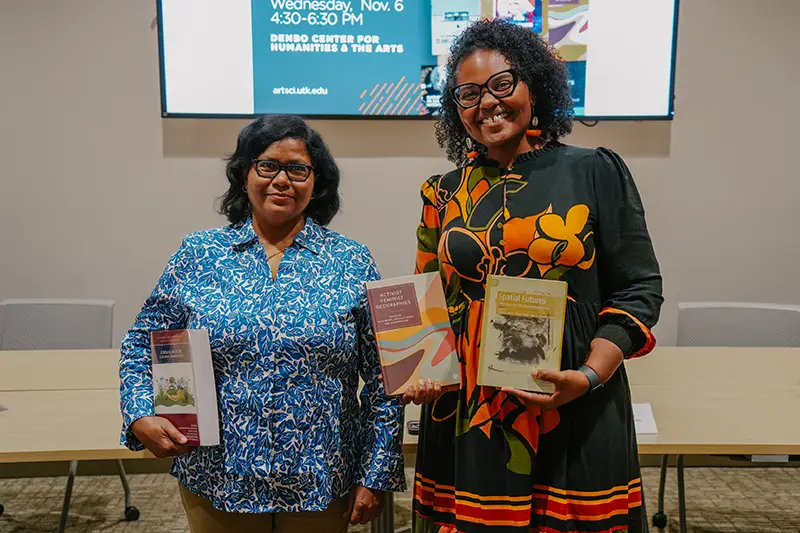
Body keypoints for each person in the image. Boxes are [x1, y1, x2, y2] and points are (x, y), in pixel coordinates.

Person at [409, 19, 664, 533]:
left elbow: (639, 289)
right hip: (468, 418)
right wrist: (421, 368)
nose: (487, 102)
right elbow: (427, 298)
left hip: (575, 407)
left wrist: (589, 375)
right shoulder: (442, 192)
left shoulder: (593, 170)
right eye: (469, 93)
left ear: (535, 87)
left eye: (503, 84)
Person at [119, 115, 405, 533]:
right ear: (244, 173)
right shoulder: (200, 254)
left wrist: (375, 473)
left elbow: (385, 377)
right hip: (218, 475)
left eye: (298, 169)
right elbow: (143, 345)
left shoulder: (351, 260)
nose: (282, 180)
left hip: (321, 477)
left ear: (317, 181)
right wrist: (140, 412)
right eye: (267, 165)